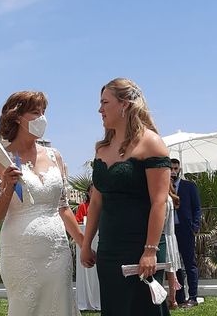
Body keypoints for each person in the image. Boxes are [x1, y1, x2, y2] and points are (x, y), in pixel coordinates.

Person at [0, 90, 83, 316]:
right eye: (35, 113)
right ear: (18, 117)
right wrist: (8, 188)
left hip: (57, 250)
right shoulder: (0, 160)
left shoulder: (54, 156)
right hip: (20, 252)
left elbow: (63, 206)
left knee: (60, 305)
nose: (42, 119)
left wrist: (82, 243)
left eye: (43, 112)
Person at [81, 78, 171, 316]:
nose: (99, 109)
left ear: (124, 105)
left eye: (104, 102)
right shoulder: (102, 148)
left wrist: (150, 250)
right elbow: (96, 202)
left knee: (143, 310)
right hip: (109, 248)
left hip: (140, 247)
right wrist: (86, 244)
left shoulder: (151, 143)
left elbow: (159, 202)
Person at [171, 158, 201, 308]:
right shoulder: (163, 188)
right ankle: (180, 297)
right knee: (175, 265)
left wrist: (195, 227)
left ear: (179, 169)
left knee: (190, 264)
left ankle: (193, 297)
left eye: (176, 168)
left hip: (186, 230)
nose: (173, 171)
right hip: (170, 231)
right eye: (171, 168)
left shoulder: (189, 186)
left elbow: (197, 208)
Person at [163, 182, 183, 310]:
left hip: (164, 236)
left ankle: (172, 299)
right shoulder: (170, 199)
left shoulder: (164, 200)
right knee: (171, 270)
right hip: (171, 236)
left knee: (168, 269)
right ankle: (173, 298)